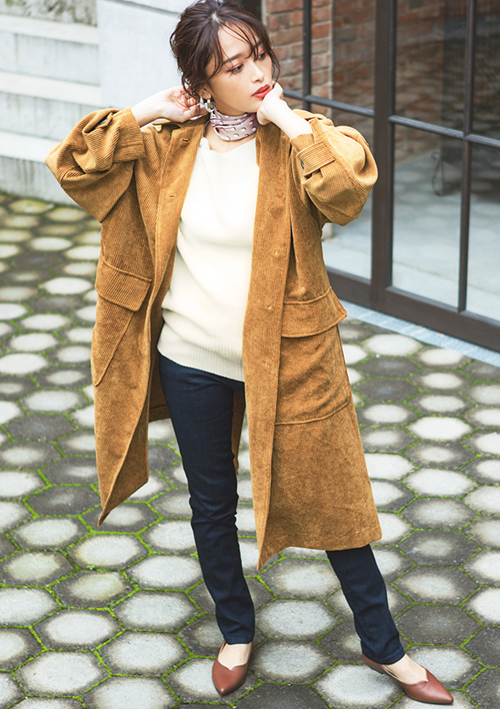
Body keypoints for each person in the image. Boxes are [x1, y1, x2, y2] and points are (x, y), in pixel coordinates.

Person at [46, 0, 453, 703]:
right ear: (201, 83)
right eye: (233, 66)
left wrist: (286, 119)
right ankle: (235, 630)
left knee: (335, 501)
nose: (256, 71)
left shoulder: (303, 140)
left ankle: (386, 648)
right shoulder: (167, 146)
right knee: (210, 504)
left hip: (291, 357)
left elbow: (346, 193)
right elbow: (74, 167)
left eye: (258, 54)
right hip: (190, 356)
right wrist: (146, 111)